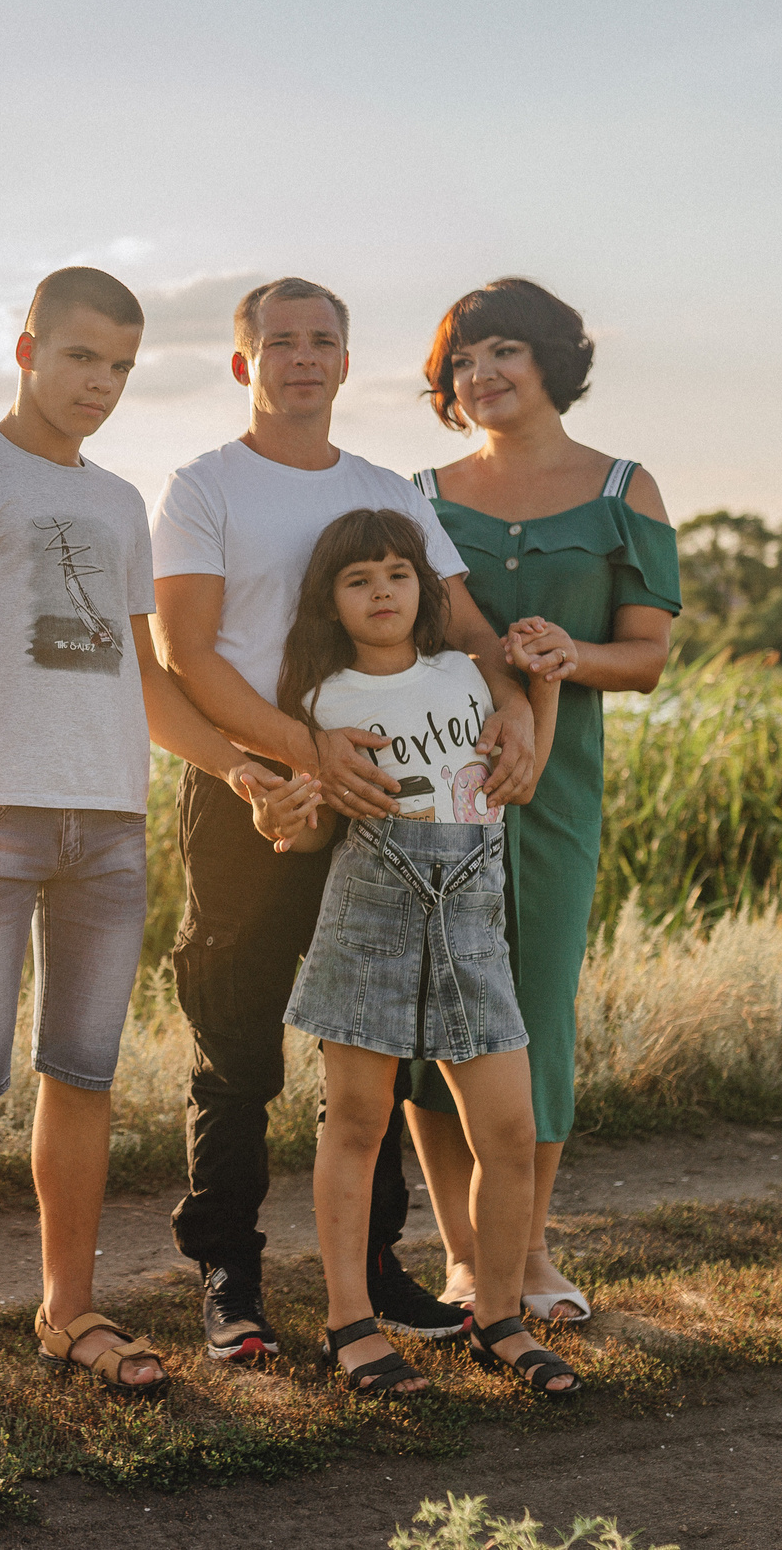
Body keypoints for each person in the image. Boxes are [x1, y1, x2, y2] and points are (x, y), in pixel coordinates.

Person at [0, 266, 281, 1425]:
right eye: (80, 359)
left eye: (119, 368)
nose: (97, 385)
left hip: (109, 828)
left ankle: (67, 1313)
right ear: (27, 351)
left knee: (84, 1077)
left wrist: (237, 765)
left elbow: (139, 679)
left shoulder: (116, 504)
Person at [151, 277, 541, 1366]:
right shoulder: (203, 486)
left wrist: (511, 702)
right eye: (280, 343)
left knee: (377, 1044)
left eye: (324, 340)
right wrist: (298, 755)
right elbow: (186, 653)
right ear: (245, 364)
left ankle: (373, 1270)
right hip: (257, 792)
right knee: (235, 1048)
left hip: (394, 813)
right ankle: (228, 1277)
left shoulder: (385, 491)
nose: (303, 358)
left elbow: (463, 623)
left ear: (344, 360)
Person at [244, 508, 578, 1397]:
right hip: (370, 922)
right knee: (356, 1123)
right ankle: (350, 1323)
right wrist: (282, 818)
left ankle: (498, 1317)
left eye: (398, 572)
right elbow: (312, 839)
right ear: (331, 601)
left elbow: (525, 773)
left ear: (425, 587)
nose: (382, 590)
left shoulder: (470, 675)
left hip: (472, 923)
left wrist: (542, 680)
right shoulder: (316, 701)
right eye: (359, 579)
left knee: (509, 1129)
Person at [401, 278, 680, 1326]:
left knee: (533, 1009)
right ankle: (466, 1258)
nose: (482, 375)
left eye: (504, 352)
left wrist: (572, 655)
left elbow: (646, 657)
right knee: (440, 1012)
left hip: (556, 793)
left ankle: (527, 1249)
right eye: (463, 362)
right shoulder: (418, 496)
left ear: (552, 361)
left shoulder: (623, 488)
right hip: (433, 785)